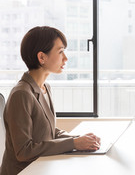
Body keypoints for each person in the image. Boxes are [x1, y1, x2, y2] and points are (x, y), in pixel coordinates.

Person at [0, 26, 101, 175]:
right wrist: (73, 143)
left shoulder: (44, 87)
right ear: (42, 57)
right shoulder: (21, 94)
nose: (65, 58)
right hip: (24, 172)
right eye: (60, 52)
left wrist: (79, 139)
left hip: (42, 167)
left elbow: (46, 131)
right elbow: (24, 151)